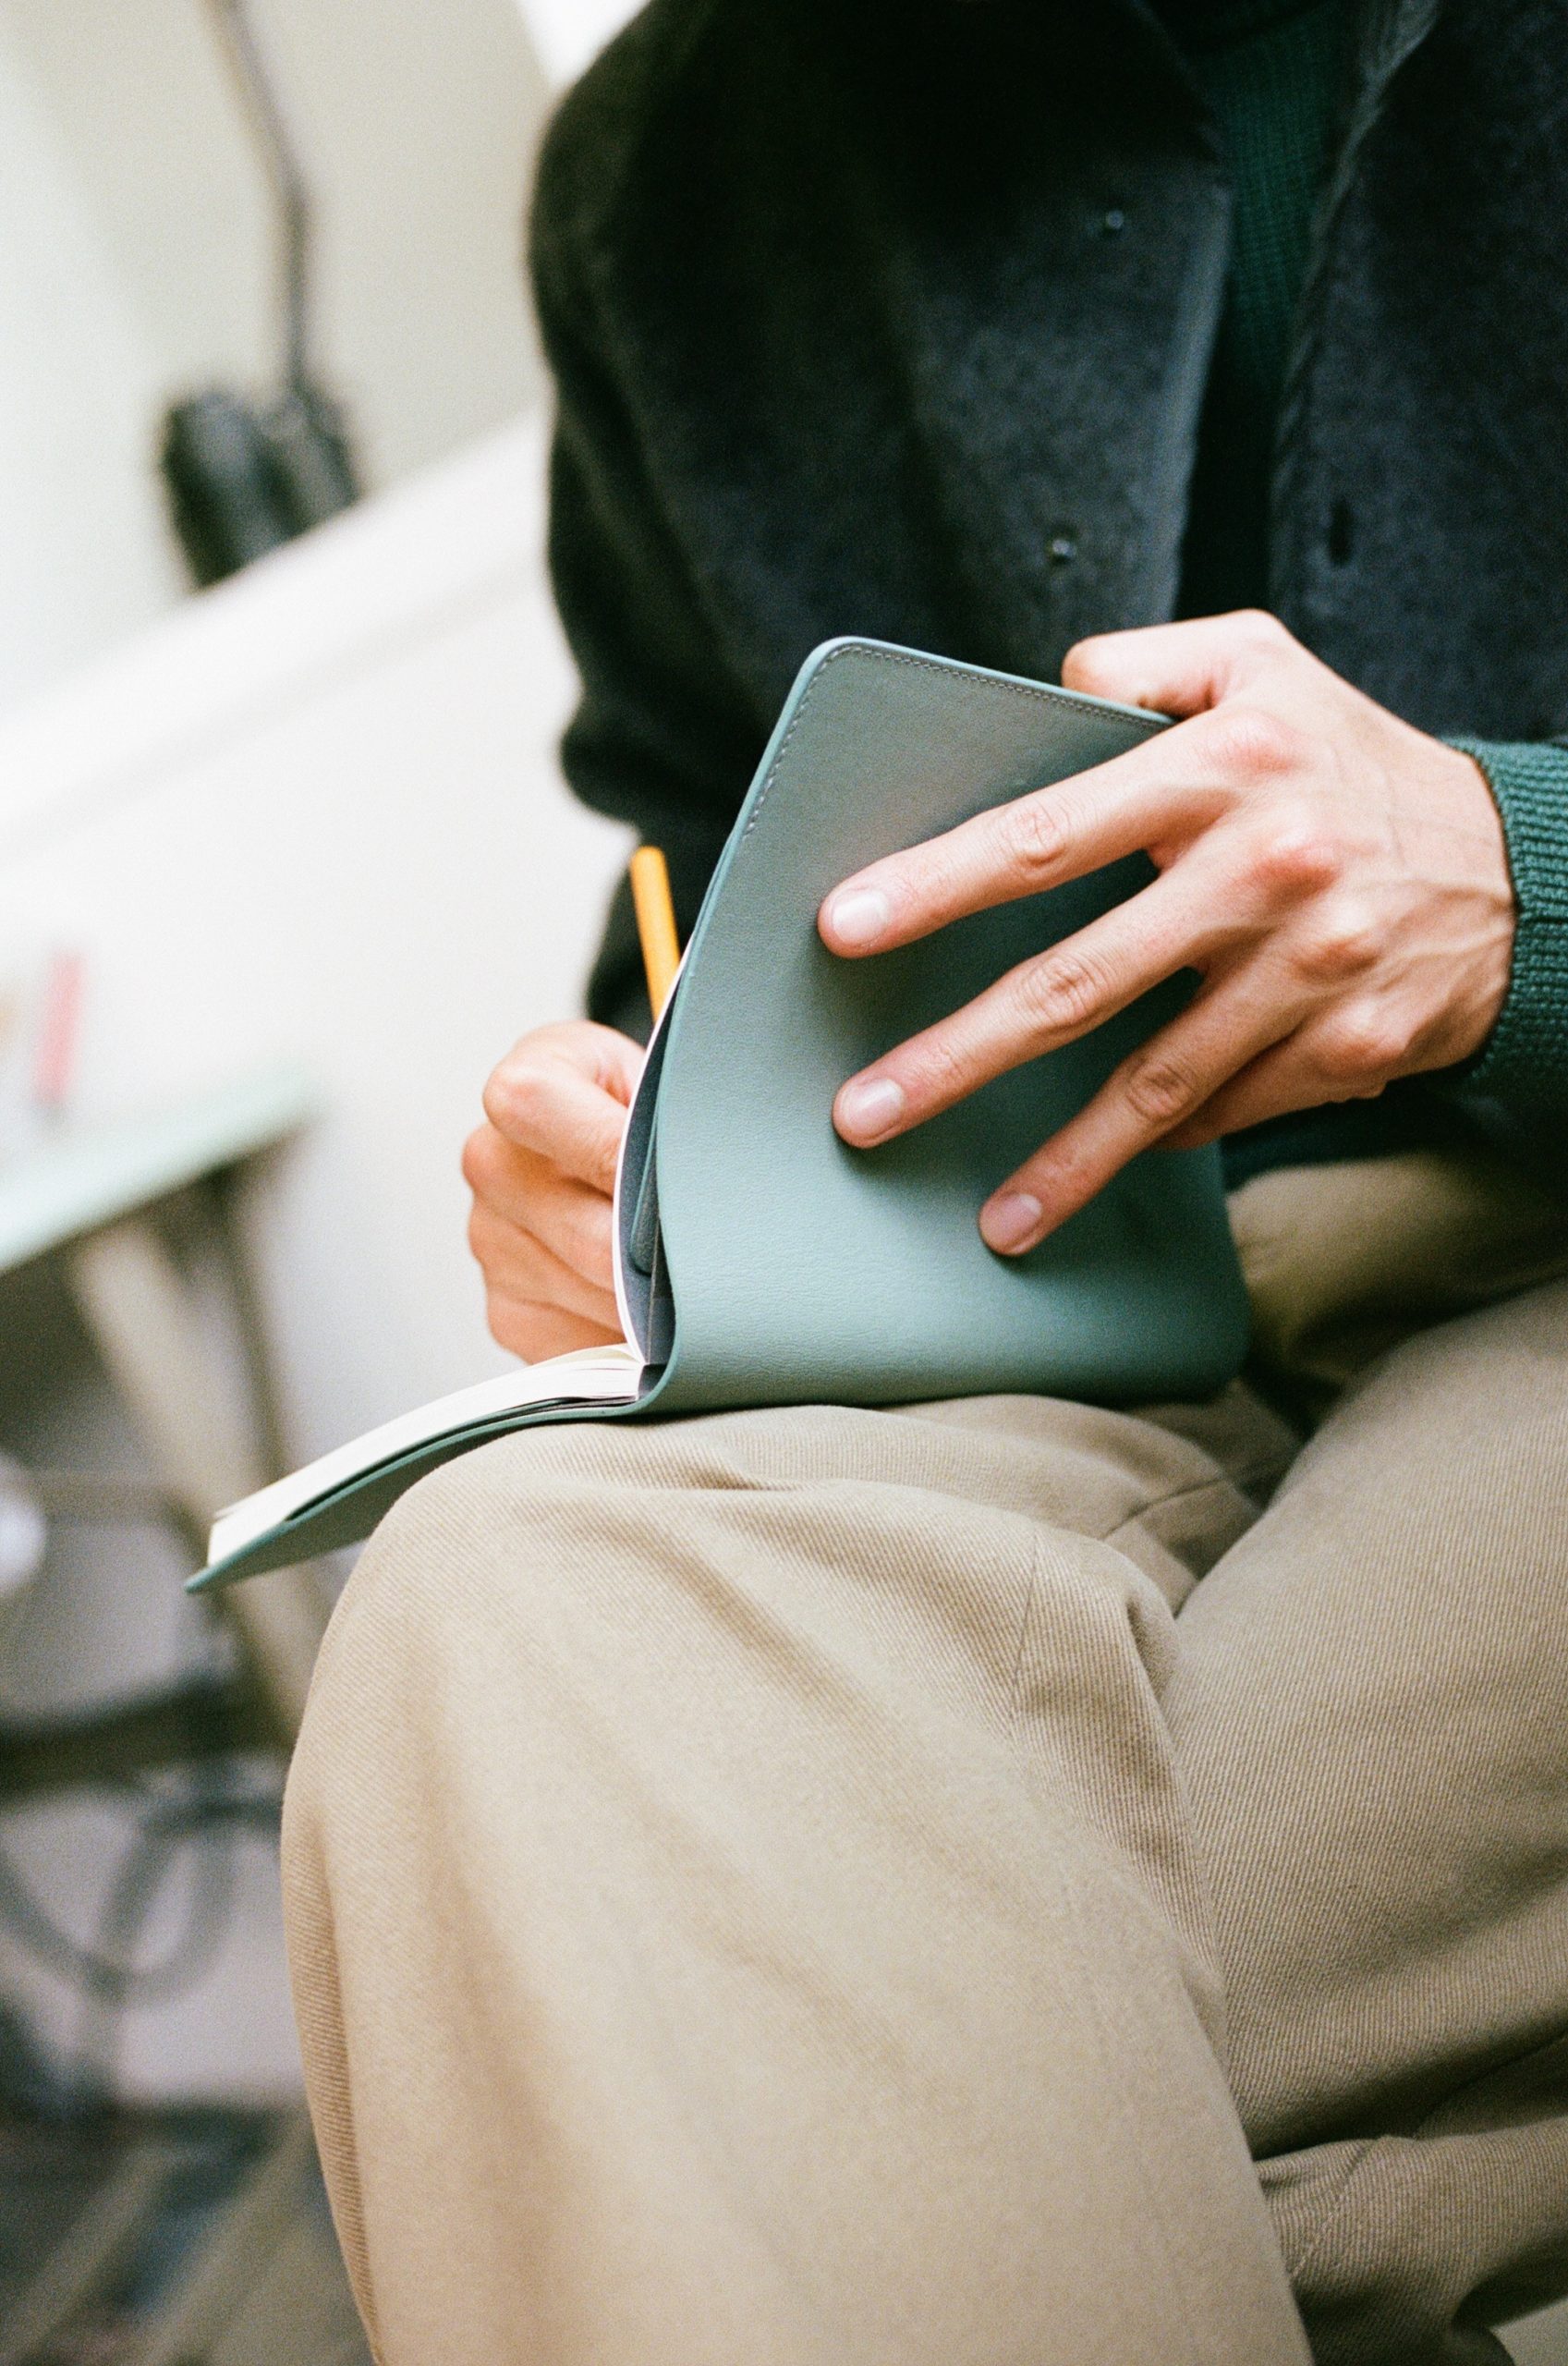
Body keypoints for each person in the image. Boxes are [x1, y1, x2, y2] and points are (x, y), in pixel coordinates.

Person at [281, 2, 1568, 2359]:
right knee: (492, 1591)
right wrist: (641, 1158)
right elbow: (703, 837)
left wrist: (1521, 878)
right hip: (1068, 1299)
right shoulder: (672, 167)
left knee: (727, 2028)